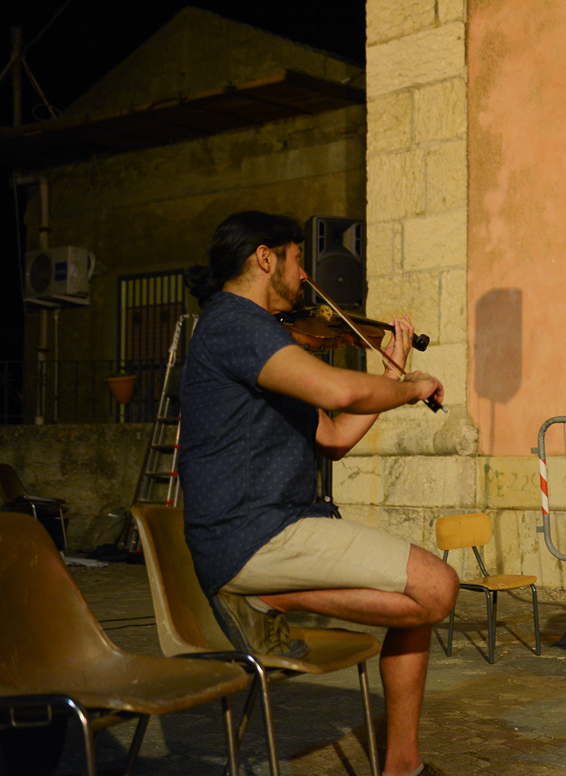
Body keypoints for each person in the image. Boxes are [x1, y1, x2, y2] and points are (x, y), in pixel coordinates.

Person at [178, 211, 458, 776]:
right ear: (265, 259)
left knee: (420, 606)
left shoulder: (267, 341)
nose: (305, 276)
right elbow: (338, 388)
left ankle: (403, 766)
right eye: (298, 259)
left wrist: (395, 368)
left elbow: (332, 435)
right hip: (252, 531)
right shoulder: (237, 323)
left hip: (272, 526)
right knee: (438, 586)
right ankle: (271, 598)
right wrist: (407, 390)